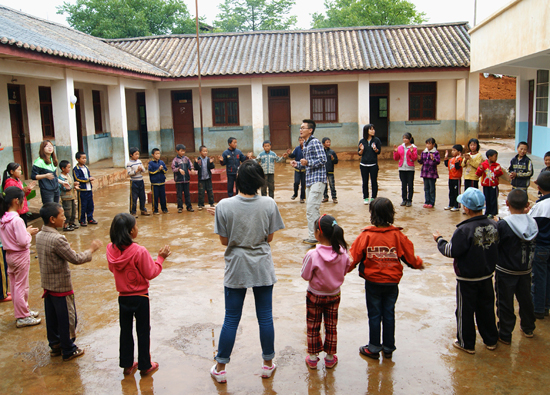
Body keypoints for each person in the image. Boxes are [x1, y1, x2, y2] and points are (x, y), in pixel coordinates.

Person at [210, 160, 285, 384]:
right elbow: (269, 237)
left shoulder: (223, 205)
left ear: (238, 180)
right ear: (260, 181)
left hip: (237, 265)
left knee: (231, 318)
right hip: (262, 264)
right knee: (265, 317)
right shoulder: (269, 203)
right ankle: (267, 365)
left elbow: (225, 241)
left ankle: (221, 367)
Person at [349, 197, 423, 360]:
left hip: (373, 282)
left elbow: (352, 258)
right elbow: (410, 257)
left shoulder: (366, 236)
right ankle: (388, 347)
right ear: (391, 214)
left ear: (372, 214)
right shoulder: (397, 235)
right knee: (389, 313)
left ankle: (374, 348)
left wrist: (340, 271)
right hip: (392, 283)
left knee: (374, 314)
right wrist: (419, 264)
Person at [433, 187, 499, 354]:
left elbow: (451, 251)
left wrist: (440, 240)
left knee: (464, 311)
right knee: (486, 309)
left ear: (466, 208)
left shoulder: (463, 230)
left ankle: (466, 343)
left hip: (467, 279)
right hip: (486, 276)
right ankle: (491, 340)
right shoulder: (493, 224)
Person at [36, 202, 102, 361]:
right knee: (67, 319)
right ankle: (68, 348)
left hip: (48, 285)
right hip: (61, 286)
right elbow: (76, 259)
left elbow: (53, 253)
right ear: (52, 219)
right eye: (62, 215)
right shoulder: (58, 239)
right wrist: (91, 249)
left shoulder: (39, 235)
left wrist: (65, 247)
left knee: (52, 318)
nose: (64, 218)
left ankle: (55, 345)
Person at [107, 213, 170, 376]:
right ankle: (145, 364)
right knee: (143, 331)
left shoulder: (110, 249)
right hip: (140, 297)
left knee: (125, 330)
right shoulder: (139, 251)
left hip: (123, 297)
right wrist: (160, 259)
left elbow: (112, 268)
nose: (137, 229)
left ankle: (127, 364)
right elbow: (151, 272)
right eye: (135, 226)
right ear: (130, 231)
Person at [301, 214, 350, 369]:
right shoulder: (343, 253)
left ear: (318, 233)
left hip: (314, 294)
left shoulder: (312, 254)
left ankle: (313, 358)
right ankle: (330, 358)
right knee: (331, 325)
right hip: (334, 295)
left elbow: (305, 275)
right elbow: (345, 269)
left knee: (313, 325)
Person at [495, 189, 537, 344]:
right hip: (526, 269)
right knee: (526, 299)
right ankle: (528, 327)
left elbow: (496, 245)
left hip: (506, 270)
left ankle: (505, 334)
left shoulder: (504, 224)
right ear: (527, 205)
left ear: (507, 204)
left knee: (505, 302)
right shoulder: (533, 223)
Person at [0, 187, 40, 327]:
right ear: (17, 201)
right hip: (19, 255)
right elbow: (23, 241)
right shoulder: (16, 220)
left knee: (15, 285)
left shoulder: (4, 218)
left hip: (9, 255)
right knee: (21, 286)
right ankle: (22, 315)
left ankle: (23, 311)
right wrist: (28, 233)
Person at [290, 119, 327, 245]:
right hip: (310, 180)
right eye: (300, 127)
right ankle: (318, 236)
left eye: (303, 128)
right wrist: (298, 164)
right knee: (311, 209)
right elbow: (306, 164)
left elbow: (323, 159)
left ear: (310, 130)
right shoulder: (305, 144)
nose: (300, 130)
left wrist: (308, 162)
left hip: (318, 180)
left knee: (312, 208)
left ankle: (315, 237)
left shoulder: (315, 142)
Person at [529, 171, 550, 319]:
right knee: (548, 276)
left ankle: (538, 308)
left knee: (539, 278)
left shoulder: (540, 206)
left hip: (541, 247)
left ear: (539, 186)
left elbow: (530, 226)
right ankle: (546, 306)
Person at [358, 124, 382, 205]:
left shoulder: (377, 140)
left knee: (374, 182)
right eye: (371, 129)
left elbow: (378, 152)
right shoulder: (362, 141)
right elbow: (359, 153)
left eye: (373, 129)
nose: (373, 131)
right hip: (363, 165)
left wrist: (375, 149)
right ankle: (365, 197)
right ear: (366, 131)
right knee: (365, 182)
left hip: (373, 164)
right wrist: (361, 150)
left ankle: (373, 197)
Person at [476, 149, 503, 218]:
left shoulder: (497, 165)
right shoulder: (483, 164)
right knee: (487, 198)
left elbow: (500, 174)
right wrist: (480, 169)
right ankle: (487, 212)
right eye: (495, 156)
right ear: (489, 157)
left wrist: (497, 171)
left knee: (493, 199)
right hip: (486, 185)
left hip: (494, 185)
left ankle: (493, 213)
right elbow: (478, 174)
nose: (496, 158)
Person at [73, 151, 98, 226]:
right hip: (82, 190)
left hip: (89, 189)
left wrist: (90, 179)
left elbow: (88, 175)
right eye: (82, 158)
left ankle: (90, 218)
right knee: (82, 205)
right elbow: (77, 178)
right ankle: (82, 220)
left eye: (85, 158)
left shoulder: (86, 167)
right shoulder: (76, 169)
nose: (84, 160)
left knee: (90, 205)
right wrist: (87, 179)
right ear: (77, 159)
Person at [393, 133, 417, 207]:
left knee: (410, 184)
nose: (404, 139)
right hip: (402, 168)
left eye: (406, 138)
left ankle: (409, 200)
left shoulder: (414, 147)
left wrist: (412, 152)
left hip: (410, 169)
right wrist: (395, 152)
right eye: (403, 138)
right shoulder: (400, 147)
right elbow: (396, 158)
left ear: (410, 139)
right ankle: (404, 200)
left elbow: (414, 158)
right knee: (403, 185)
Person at [127, 148, 150, 217]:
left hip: (141, 180)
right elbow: (129, 173)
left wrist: (141, 169)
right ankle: (133, 212)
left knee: (142, 196)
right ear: (131, 155)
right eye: (135, 154)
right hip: (134, 181)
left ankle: (143, 209)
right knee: (133, 197)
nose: (137, 156)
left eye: (138, 154)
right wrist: (136, 171)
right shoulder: (129, 163)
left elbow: (144, 170)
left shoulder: (139, 161)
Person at [418, 138, 440, 208]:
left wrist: (434, 159)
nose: (428, 145)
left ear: (433, 144)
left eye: (429, 143)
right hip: (425, 173)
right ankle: (427, 201)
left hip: (432, 173)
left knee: (432, 188)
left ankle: (432, 202)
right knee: (426, 188)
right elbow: (421, 162)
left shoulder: (436, 152)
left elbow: (438, 162)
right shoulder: (424, 152)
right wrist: (419, 159)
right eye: (427, 143)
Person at [171, 144, 194, 213]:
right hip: (179, 180)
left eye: (184, 151)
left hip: (186, 179)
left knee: (187, 194)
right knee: (179, 195)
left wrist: (192, 169)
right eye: (181, 151)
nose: (183, 152)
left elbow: (190, 165)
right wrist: (179, 170)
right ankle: (180, 207)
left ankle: (189, 206)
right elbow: (173, 168)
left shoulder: (186, 159)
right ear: (177, 151)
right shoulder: (175, 160)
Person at [194, 145, 216, 210]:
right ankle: (201, 204)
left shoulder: (208, 159)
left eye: (206, 151)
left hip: (208, 178)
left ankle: (211, 203)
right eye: (204, 151)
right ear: (200, 152)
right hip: (201, 179)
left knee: (210, 191)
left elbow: (212, 167)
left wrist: (211, 163)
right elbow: (196, 168)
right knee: (201, 192)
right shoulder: (198, 160)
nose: (205, 152)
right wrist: (196, 163)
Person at [58, 160, 79, 231]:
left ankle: (71, 223)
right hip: (66, 198)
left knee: (73, 211)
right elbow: (65, 187)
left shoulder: (68, 175)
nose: (69, 169)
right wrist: (72, 186)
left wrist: (74, 185)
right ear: (63, 168)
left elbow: (71, 185)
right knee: (67, 212)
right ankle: (65, 225)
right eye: (68, 167)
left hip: (72, 196)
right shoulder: (61, 178)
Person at [148, 148, 168, 215]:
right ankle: (155, 210)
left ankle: (164, 209)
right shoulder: (151, 163)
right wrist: (158, 169)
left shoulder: (161, 162)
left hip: (162, 182)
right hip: (154, 183)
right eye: (156, 154)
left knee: (163, 197)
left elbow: (166, 170)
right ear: (152, 155)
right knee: (155, 197)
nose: (158, 155)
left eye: (159, 153)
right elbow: (151, 172)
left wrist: (162, 169)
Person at [444, 145, 464, 212]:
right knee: (451, 192)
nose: (452, 152)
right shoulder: (451, 159)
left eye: (454, 150)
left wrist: (456, 160)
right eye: (452, 150)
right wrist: (446, 157)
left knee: (456, 193)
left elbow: (457, 167)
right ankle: (451, 204)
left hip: (456, 178)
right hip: (451, 178)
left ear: (459, 152)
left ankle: (457, 205)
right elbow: (447, 165)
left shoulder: (460, 159)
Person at [287, 137, 306, 203]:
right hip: (297, 169)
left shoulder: (307, 148)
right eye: (300, 140)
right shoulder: (297, 148)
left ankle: (302, 198)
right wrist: (289, 154)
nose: (301, 141)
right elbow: (293, 156)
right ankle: (295, 194)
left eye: (302, 140)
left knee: (303, 184)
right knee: (296, 182)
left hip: (304, 170)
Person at [322, 138, 338, 204]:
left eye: (329, 142)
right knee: (324, 185)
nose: (328, 143)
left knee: (332, 185)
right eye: (327, 142)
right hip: (323, 171)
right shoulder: (321, 152)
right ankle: (325, 197)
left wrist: (333, 159)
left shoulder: (332, 152)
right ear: (323, 143)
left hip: (330, 171)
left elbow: (336, 161)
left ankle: (334, 198)